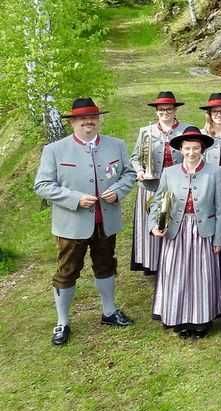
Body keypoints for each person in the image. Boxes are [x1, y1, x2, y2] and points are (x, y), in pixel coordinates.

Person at [35, 97, 137, 346]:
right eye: (81, 118)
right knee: (67, 271)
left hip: (106, 221)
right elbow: (42, 186)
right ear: (72, 122)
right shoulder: (55, 150)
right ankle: (62, 322)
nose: (87, 122)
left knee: (106, 265)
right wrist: (75, 199)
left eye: (92, 117)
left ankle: (109, 311)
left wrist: (119, 190)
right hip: (71, 225)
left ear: (99, 119)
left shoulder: (116, 145)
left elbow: (129, 173)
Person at [149, 126, 221, 339]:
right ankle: (179, 317)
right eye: (187, 148)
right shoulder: (169, 172)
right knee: (176, 274)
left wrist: (219, 238)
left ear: (202, 149)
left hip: (203, 231)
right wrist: (154, 225)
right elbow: (157, 203)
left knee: (203, 275)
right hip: (177, 231)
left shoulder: (215, 172)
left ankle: (202, 319)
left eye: (196, 148)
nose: (191, 153)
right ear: (180, 150)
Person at [130, 91, 190, 276]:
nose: (165, 112)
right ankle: (153, 263)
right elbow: (135, 157)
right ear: (156, 111)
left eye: (169, 109)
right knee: (154, 221)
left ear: (175, 110)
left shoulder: (186, 130)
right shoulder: (146, 132)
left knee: (176, 220)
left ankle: (177, 260)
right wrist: (140, 170)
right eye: (161, 109)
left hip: (178, 185)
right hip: (151, 186)